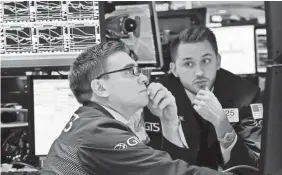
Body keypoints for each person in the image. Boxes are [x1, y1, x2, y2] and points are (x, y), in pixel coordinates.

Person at [41, 41, 228, 175]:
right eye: (130, 71)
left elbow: (163, 166)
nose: (144, 78)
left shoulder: (93, 122)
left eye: (138, 71)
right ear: (100, 88)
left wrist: (169, 123)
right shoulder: (99, 132)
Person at [144, 26, 262, 170]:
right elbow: (158, 164)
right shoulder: (157, 99)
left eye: (206, 61)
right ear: (174, 69)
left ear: (218, 61)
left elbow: (256, 167)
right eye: (188, 64)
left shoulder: (246, 95)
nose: (199, 72)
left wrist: (222, 124)